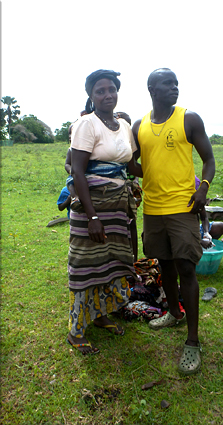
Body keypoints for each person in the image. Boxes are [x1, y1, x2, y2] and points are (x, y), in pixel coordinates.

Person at [132, 68, 215, 375]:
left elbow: (209, 159)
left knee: (186, 268)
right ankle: (174, 313)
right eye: (167, 84)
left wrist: (202, 189)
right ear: (152, 88)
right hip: (152, 209)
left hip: (183, 207)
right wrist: (149, 176)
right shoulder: (139, 126)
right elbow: (131, 161)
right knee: (164, 263)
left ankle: (192, 341)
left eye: (176, 84)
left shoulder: (189, 119)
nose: (174, 88)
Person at [67, 69, 141, 355]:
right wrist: (92, 217)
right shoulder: (86, 124)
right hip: (93, 207)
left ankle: (100, 315)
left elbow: (131, 167)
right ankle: (76, 331)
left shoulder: (122, 125)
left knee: (111, 263)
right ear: (91, 95)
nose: (107, 94)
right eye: (100, 90)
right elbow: (78, 171)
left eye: (111, 89)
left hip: (118, 206)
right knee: (87, 266)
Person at [195, 176, 223, 249]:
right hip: (183, 234)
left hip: (196, 230)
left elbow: (204, 218)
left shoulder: (197, 200)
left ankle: (208, 244)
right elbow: (179, 230)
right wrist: (199, 240)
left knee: (220, 226)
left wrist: (206, 232)